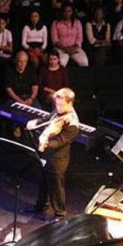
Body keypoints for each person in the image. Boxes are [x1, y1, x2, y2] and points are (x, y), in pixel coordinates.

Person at [34, 88, 79, 219]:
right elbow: (48, 119)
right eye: (56, 104)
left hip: (57, 160)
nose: (57, 107)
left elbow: (59, 142)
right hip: (47, 156)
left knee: (56, 189)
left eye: (60, 105)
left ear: (70, 103)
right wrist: (37, 123)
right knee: (43, 183)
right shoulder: (58, 110)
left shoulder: (72, 125)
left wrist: (45, 142)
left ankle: (60, 213)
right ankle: (40, 207)